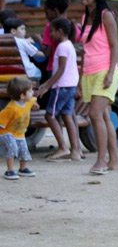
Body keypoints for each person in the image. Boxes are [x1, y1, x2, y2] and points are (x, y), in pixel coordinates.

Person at [78, 0, 118, 175]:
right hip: (89, 72)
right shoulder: (85, 17)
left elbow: (114, 46)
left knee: (94, 114)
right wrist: (80, 77)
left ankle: (101, 161)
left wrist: (111, 73)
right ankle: (114, 160)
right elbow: (85, 50)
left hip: (105, 71)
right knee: (103, 115)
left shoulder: (106, 15)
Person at [35, 17, 82, 162]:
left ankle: (63, 147)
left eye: (52, 32)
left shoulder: (62, 47)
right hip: (70, 86)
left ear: (60, 31)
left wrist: (46, 86)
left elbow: (61, 70)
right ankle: (75, 151)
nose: (50, 36)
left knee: (50, 115)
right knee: (67, 116)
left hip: (61, 86)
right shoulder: (69, 45)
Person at [0, 76, 39, 180]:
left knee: (23, 149)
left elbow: (32, 101)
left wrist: (34, 103)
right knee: (12, 148)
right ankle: (9, 170)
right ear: (22, 95)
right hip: (6, 132)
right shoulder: (11, 108)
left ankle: (23, 168)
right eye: (30, 91)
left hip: (19, 132)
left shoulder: (27, 101)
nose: (32, 92)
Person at [3, 17, 44, 82]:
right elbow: (37, 53)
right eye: (22, 29)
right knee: (38, 72)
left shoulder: (3, 41)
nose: (24, 31)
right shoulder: (23, 42)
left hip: (7, 73)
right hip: (27, 73)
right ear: (13, 31)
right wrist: (49, 53)